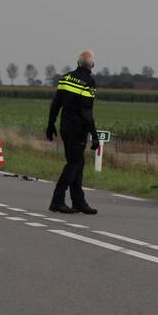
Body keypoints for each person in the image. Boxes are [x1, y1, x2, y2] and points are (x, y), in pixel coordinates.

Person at [46, 51, 100, 215]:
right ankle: (57, 201)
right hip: (78, 129)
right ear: (92, 65)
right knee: (74, 163)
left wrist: (50, 124)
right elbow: (86, 112)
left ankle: (78, 202)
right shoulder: (89, 82)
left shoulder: (66, 78)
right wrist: (95, 136)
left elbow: (56, 103)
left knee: (78, 162)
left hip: (65, 126)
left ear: (78, 62)